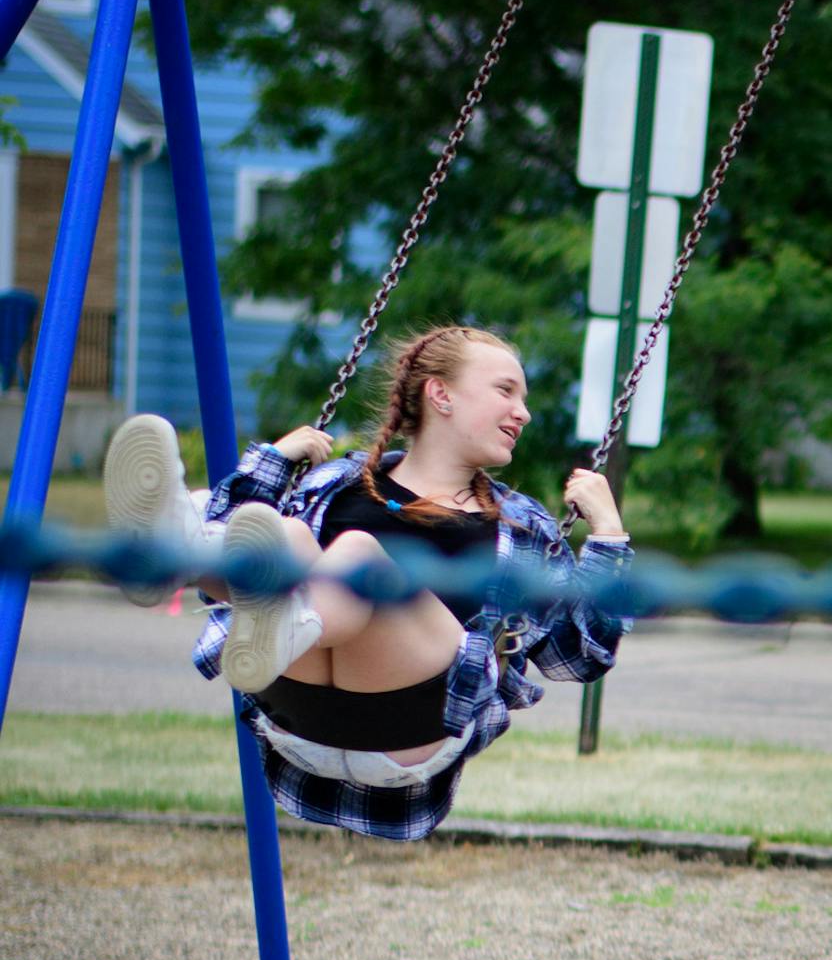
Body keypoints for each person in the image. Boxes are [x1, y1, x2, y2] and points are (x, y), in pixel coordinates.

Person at [101, 326, 632, 841]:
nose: (524, 412)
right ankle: (172, 554)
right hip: (295, 711)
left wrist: (607, 535)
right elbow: (244, 532)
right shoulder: (338, 483)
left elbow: (577, 656)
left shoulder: (521, 526)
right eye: (505, 391)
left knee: (359, 552)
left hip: (411, 723)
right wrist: (276, 462)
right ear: (441, 394)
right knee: (284, 533)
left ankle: (287, 615)